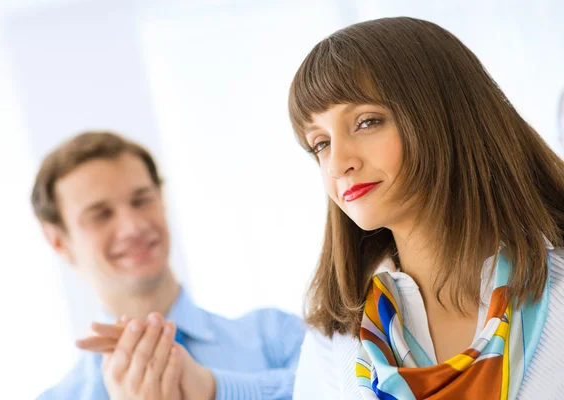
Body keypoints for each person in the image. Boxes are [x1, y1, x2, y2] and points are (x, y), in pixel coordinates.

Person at [288, 17, 564, 399]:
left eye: (367, 122)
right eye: (320, 143)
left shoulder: (557, 289)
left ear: (444, 116)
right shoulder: (335, 341)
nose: (337, 164)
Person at [33, 131, 305, 400]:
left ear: (161, 200)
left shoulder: (277, 337)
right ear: (59, 242)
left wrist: (215, 390)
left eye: (141, 200)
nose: (133, 226)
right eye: (100, 215)